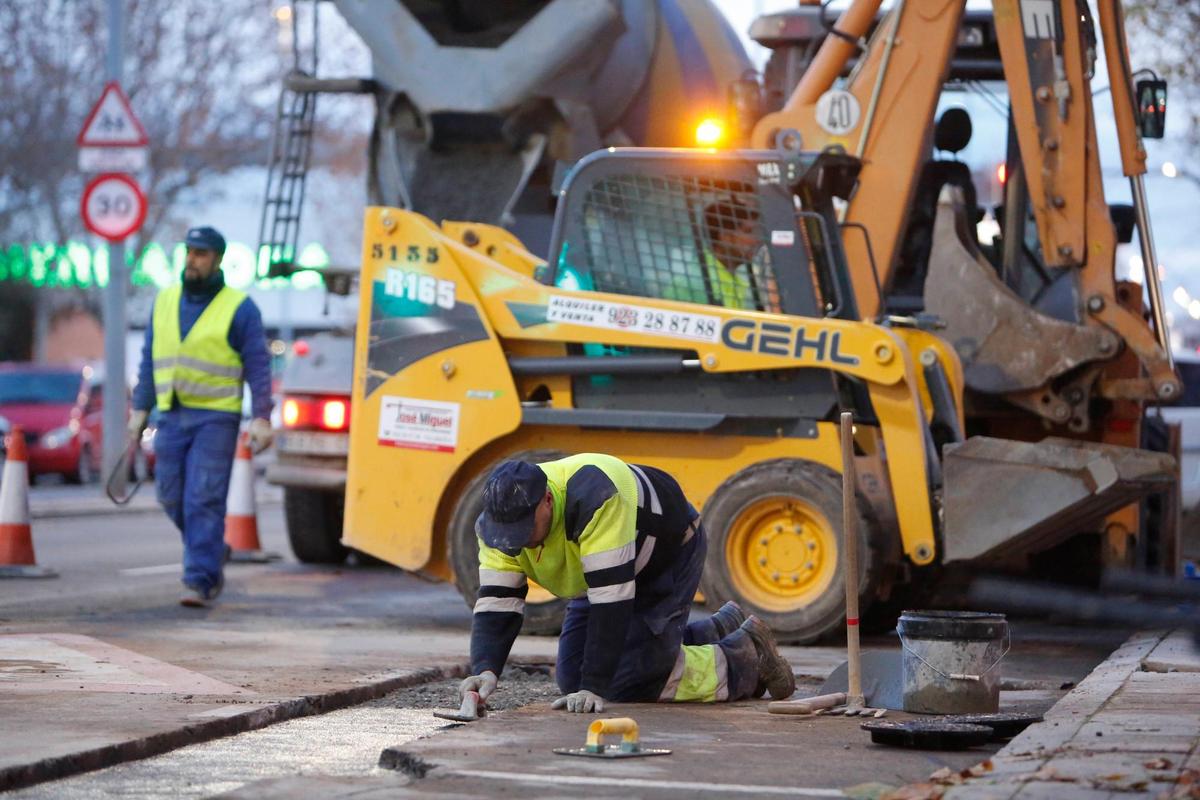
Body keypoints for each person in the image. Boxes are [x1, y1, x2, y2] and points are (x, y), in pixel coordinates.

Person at [461, 454, 796, 713]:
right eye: (508, 534)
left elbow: (612, 603)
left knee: (623, 681)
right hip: (597, 575)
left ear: (547, 499)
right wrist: (486, 670)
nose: (517, 542)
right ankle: (720, 629)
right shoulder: (497, 526)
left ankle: (747, 657)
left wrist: (596, 688)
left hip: (665, 552)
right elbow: (498, 603)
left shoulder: (594, 496)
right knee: (571, 679)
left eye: (525, 529)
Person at [128, 226, 274, 608]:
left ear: (218, 260)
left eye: (202, 253)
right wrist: (140, 407)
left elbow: (258, 365)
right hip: (172, 416)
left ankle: (199, 579)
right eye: (190, 251)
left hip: (216, 419)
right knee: (169, 495)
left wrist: (261, 416)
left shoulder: (239, 307)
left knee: (203, 499)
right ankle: (212, 548)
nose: (193, 259)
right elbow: (149, 358)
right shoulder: (164, 301)